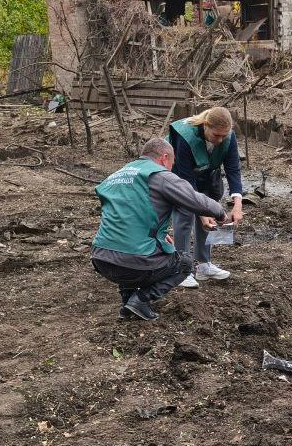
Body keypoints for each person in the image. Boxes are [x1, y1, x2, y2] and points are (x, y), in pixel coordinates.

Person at [92, 138, 227, 321]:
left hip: (101, 258)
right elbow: (195, 199)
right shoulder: (159, 175)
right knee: (184, 262)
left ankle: (127, 300)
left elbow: (128, 214)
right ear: (164, 158)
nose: (171, 168)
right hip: (133, 262)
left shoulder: (117, 175)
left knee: (129, 249)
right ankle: (140, 299)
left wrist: (157, 235)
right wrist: (220, 213)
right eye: (171, 163)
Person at [166, 107, 243, 288]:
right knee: (185, 215)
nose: (220, 140)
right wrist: (200, 211)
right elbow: (186, 177)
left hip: (207, 177)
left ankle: (203, 265)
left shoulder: (227, 137)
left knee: (210, 216)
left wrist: (237, 204)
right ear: (206, 126)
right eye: (216, 135)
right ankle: (182, 270)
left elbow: (233, 169)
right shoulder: (185, 136)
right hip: (181, 178)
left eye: (224, 136)